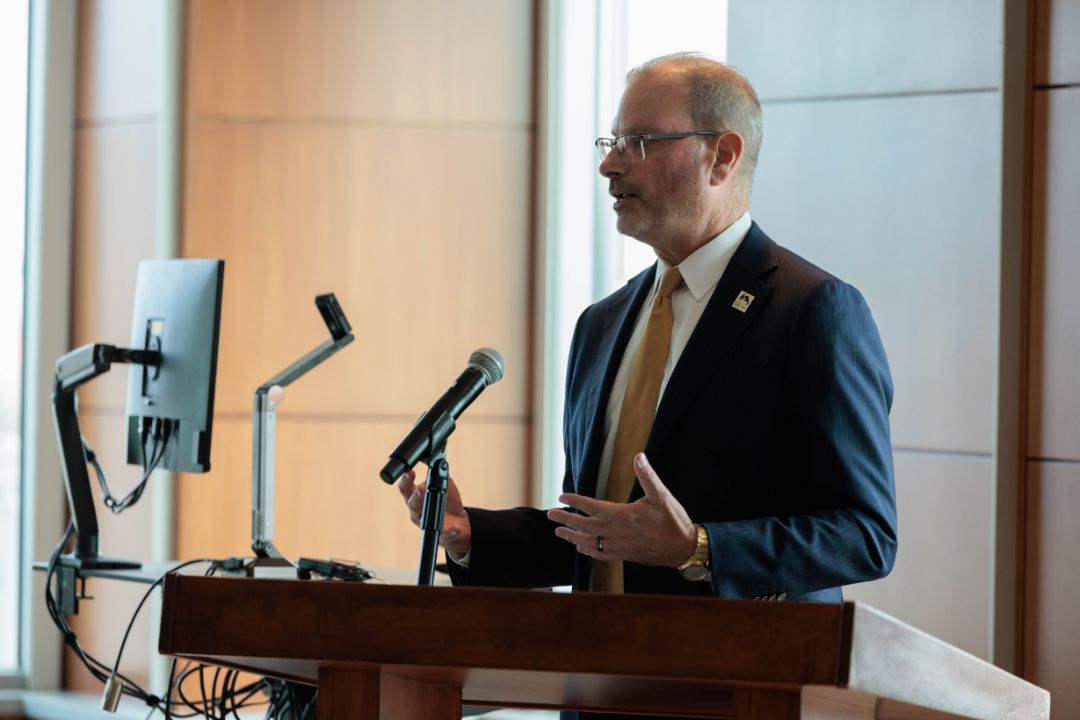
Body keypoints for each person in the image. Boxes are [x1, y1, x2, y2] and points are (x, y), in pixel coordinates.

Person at [398, 53, 896, 607]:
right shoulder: (601, 323)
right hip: (599, 658)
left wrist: (697, 548)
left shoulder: (811, 310)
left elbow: (865, 535)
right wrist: (473, 536)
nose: (610, 165)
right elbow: (599, 534)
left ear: (722, 156)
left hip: (736, 661)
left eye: (639, 142)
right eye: (611, 142)